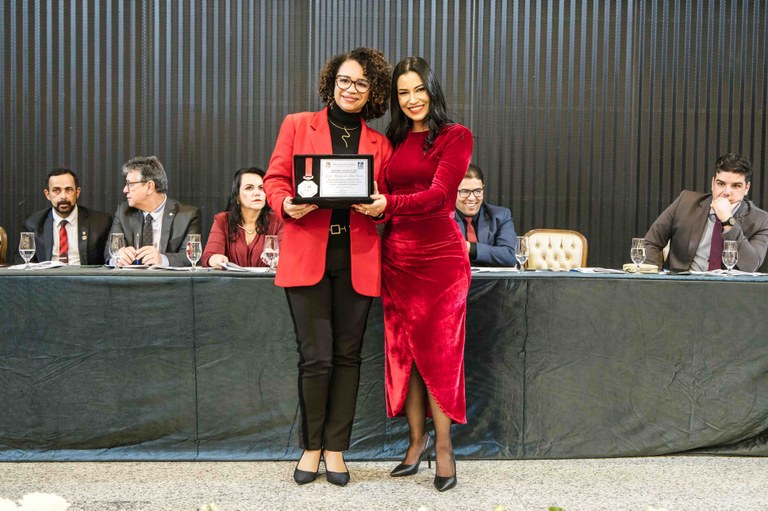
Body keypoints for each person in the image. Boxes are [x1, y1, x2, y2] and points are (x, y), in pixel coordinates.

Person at [262, 47, 392, 486]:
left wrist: (380, 208)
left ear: (372, 91)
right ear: (331, 83)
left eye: (361, 83)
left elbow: (387, 203)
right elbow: (275, 179)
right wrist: (284, 204)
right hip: (307, 254)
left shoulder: (380, 144)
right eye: (344, 80)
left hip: (358, 258)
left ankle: (336, 448)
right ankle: (311, 446)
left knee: (348, 357)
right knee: (315, 358)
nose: (350, 89)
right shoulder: (298, 125)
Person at [360, 56, 473, 492]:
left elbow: (441, 196)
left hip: (440, 261)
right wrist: (372, 205)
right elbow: (383, 196)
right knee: (403, 354)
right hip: (396, 258)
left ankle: (444, 448)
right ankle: (415, 441)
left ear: (432, 89)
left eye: (418, 90)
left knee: (440, 355)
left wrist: (387, 204)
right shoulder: (393, 139)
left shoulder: (455, 136)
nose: (412, 100)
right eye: (403, 92)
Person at [644, 153, 768, 272]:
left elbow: (751, 265)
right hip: (683, 283)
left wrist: (727, 220)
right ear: (713, 183)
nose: (726, 192)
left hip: (729, 286)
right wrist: (656, 279)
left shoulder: (761, 220)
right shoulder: (685, 203)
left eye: (736, 186)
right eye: (721, 184)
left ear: (746, 188)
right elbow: (651, 242)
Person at [107, 156, 202, 267]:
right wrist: (117, 259)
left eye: (130, 185)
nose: (125, 190)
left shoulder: (188, 216)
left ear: (149, 187)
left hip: (167, 278)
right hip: (131, 278)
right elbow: (109, 252)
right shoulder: (123, 212)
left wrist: (162, 259)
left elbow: (190, 257)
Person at [19, 168, 111, 265]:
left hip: (83, 274)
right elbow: (22, 261)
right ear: (47, 194)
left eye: (68, 190)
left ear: (77, 192)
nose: (63, 196)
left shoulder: (101, 222)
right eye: (56, 190)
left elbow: (109, 259)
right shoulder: (33, 223)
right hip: (48, 274)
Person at [202, 167, 285, 268]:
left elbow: (287, 256)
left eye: (261, 188)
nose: (257, 193)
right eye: (249, 188)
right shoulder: (222, 220)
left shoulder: (278, 221)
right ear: (237, 196)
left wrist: (280, 260)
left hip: (268, 278)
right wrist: (215, 259)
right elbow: (209, 256)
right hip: (232, 278)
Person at [453, 163, 517, 267]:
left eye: (477, 191)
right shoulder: (438, 219)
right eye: (464, 191)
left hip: (491, 278)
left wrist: (469, 247)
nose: (472, 198)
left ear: (483, 188)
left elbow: (509, 256)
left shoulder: (501, 216)